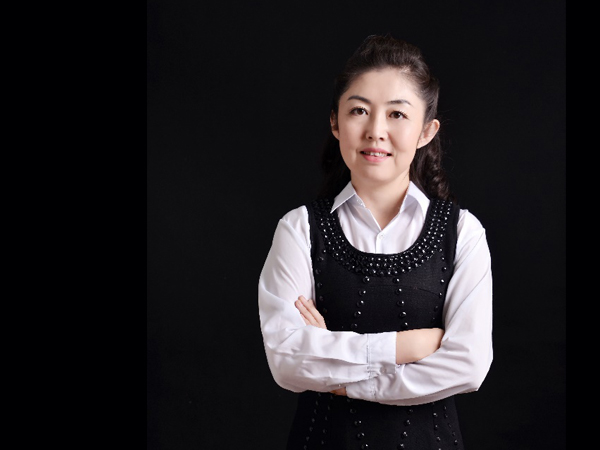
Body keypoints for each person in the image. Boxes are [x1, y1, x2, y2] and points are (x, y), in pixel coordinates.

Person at [258, 34, 493, 450]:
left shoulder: (462, 232)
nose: (376, 131)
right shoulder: (299, 229)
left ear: (426, 130)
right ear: (336, 123)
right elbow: (287, 360)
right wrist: (407, 346)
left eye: (397, 114)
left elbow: (468, 365)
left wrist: (341, 377)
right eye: (359, 111)